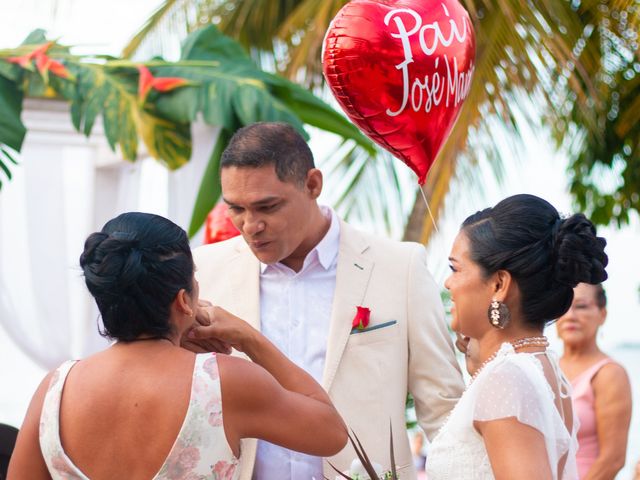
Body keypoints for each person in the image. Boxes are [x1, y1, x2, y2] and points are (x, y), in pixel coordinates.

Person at [188, 122, 465, 480]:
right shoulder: (203, 272)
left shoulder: (400, 268)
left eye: (267, 206)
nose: (249, 225)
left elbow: (445, 411)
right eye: (236, 209)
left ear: (313, 184)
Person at [7, 212, 347, 480]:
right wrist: (250, 338)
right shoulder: (221, 383)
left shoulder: (55, 389)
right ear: (184, 300)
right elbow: (330, 432)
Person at [425, 194, 608, 479]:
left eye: (455, 269)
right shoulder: (542, 368)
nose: (448, 283)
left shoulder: (506, 379)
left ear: (499, 284)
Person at [556, 283, 632, 479]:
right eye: (564, 306)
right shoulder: (544, 367)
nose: (570, 315)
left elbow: (613, 459)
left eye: (581, 306)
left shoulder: (609, 373)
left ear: (602, 314)